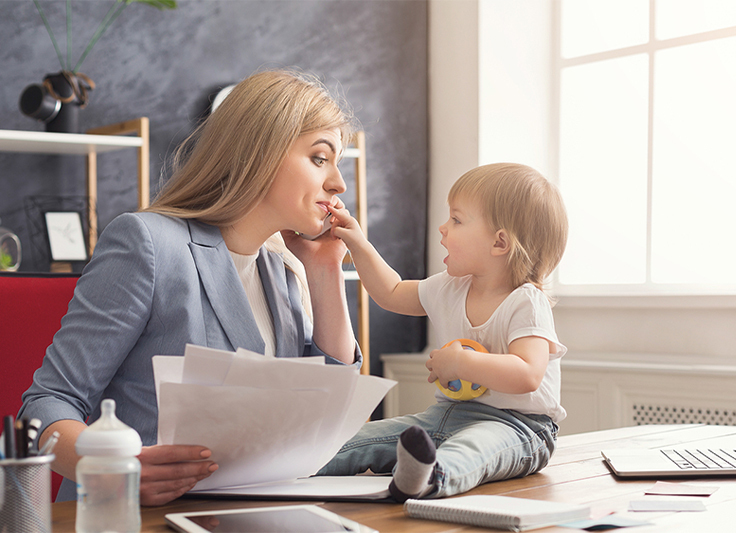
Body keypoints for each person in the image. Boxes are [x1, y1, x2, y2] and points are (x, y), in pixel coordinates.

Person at [19, 69, 362, 505]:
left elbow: (325, 411)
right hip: (133, 516)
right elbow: (46, 404)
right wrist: (111, 469)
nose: (339, 183)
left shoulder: (281, 270)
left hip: (251, 513)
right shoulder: (147, 243)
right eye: (320, 157)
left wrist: (325, 271)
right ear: (259, 151)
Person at [318, 162, 568, 501]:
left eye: (457, 220)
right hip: (448, 416)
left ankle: (429, 476)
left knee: (473, 448)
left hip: (520, 426)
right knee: (362, 439)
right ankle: (299, 462)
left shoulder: (526, 301)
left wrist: (462, 363)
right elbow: (391, 292)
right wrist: (357, 242)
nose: (443, 228)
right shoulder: (450, 287)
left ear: (499, 243)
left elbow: (528, 375)